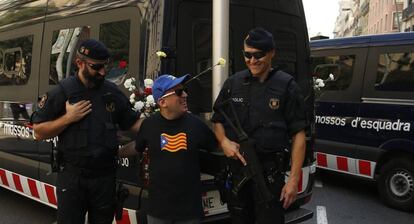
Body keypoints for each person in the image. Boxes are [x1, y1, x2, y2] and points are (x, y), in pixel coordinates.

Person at [31, 39, 142, 224]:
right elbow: (39, 131)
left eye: (105, 66)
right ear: (79, 63)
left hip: (105, 179)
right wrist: (68, 118)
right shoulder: (63, 92)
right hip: (73, 179)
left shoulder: (111, 93)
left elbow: (133, 123)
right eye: (96, 67)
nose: (103, 72)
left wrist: (161, 123)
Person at [211, 27, 308, 224]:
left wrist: (293, 180)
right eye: (247, 55)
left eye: (258, 55)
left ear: (272, 53)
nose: (252, 61)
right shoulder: (233, 83)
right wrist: (224, 142)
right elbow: (218, 120)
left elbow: (299, 135)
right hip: (238, 173)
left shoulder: (287, 86)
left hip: (269, 177)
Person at [120, 74, 217, 224]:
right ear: (162, 102)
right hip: (158, 211)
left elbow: (215, 147)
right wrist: (114, 153)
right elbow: (138, 146)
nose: (185, 94)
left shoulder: (196, 125)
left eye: (184, 90)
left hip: (189, 212)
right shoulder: (149, 125)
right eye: (179, 92)